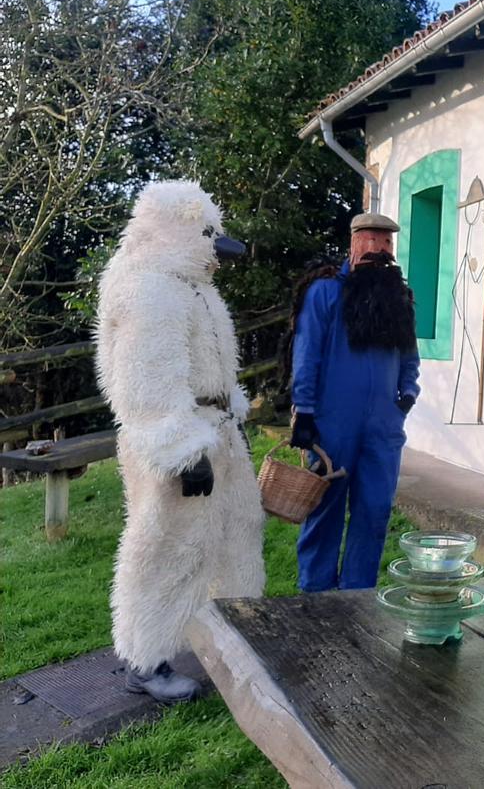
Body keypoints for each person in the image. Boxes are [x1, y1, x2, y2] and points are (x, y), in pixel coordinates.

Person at [96, 181, 265, 703]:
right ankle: (147, 660)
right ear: (184, 234)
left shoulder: (192, 287)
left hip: (215, 433)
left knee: (235, 532)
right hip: (178, 441)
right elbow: (147, 383)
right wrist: (181, 451)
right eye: (210, 240)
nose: (219, 256)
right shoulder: (150, 290)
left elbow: (211, 365)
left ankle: (231, 636)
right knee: (169, 547)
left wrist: (228, 418)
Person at [289, 211, 421, 591]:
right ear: (353, 242)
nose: (379, 248)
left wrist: (408, 394)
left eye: (386, 242)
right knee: (324, 509)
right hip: (332, 423)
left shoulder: (400, 300)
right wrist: (305, 411)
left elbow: (410, 355)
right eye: (371, 239)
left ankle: (357, 595)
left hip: (383, 427)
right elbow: (307, 353)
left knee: (375, 511)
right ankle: (315, 595)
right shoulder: (325, 292)